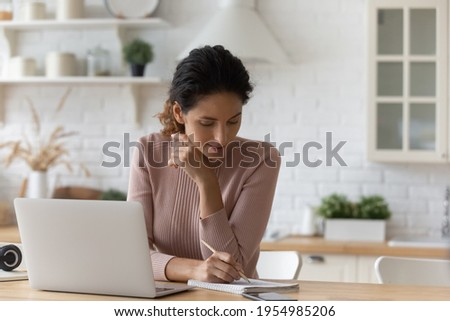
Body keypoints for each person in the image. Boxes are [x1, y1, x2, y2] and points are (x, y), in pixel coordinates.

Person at [127, 45, 280, 283]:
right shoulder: (148, 152)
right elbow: (132, 256)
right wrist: (194, 271)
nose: (222, 137)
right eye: (207, 123)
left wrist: (206, 179)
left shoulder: (261, 160)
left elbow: (231, 271)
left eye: (233, 121)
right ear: (179, 113)